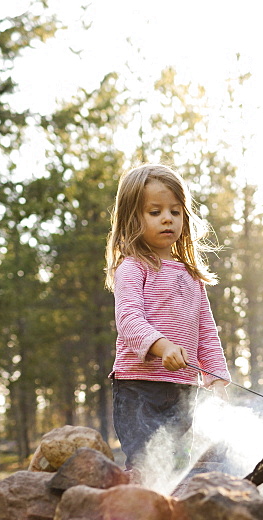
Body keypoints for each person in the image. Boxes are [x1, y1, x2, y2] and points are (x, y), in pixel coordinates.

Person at [105, 163, 230, 473]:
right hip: (139, 388)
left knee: (182, 463)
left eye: (175, 212)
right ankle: (138, 515)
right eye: (155, 211)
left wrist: (215, 377)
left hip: (184, 389)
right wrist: (162, 347)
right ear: (133, 218)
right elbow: (130, 321)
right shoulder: (133, 268)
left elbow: (206, 333)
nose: (167, 219)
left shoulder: (191, 276)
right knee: (148, 464)